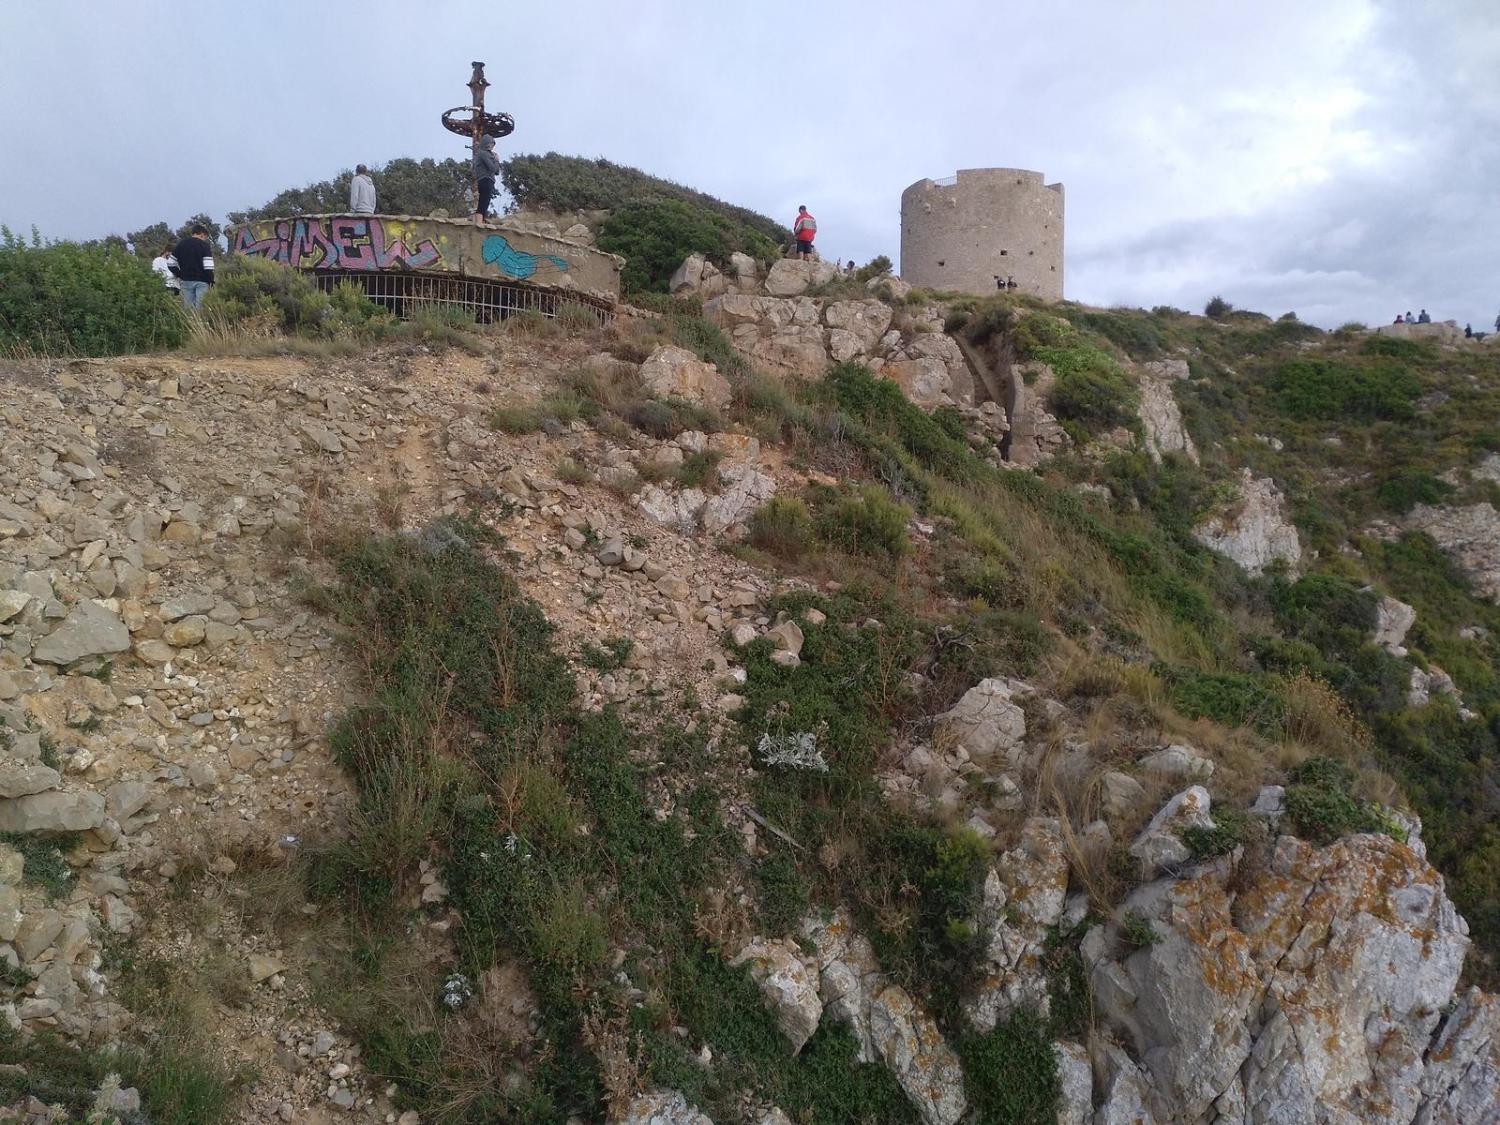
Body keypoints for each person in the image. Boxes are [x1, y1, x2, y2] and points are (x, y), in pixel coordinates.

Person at [170, 226, 215, 311]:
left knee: (188, 309)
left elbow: (170, 263)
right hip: (202, 281)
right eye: (205, 237)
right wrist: (211, 280)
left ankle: (189, 319)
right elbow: (208, 267)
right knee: (201, 307)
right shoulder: (204, 245)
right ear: (202, 234)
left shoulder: (181, 244)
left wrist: (180, 274)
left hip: (186, 280)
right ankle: (200, 319)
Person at [474, 136, 500, 225]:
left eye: (492, 144)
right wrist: (496, 160)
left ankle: (482, 220)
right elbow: (492, 168)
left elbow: (497, 171)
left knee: (486, 201)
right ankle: (478, 222)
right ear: (486, 143)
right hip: (484, 179)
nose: (492, 146)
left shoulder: (489, 155)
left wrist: (495, 160)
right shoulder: (483, 153)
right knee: (483, 201)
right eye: (490, 144)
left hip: (489, 180)